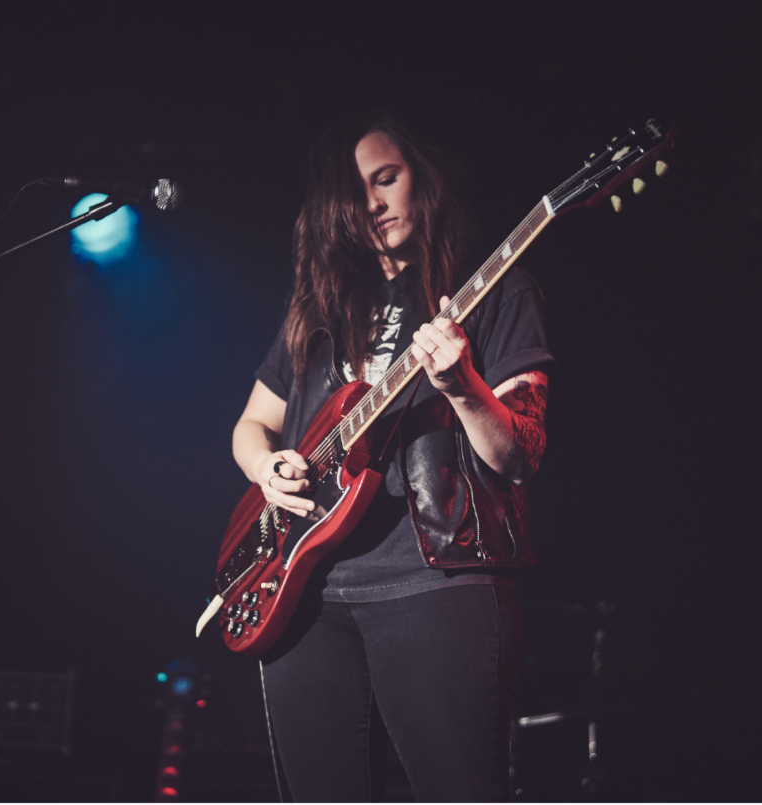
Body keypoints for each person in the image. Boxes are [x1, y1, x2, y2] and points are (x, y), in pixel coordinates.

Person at [231, 111, 554, 802]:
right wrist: (267, 467)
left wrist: (462, 386)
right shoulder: (318, 305)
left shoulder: (498, 292)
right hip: (305, 593)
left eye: (386, 178)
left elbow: (518, 454)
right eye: (356, 192)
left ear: (422, 179)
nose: (373, 203)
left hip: (434, 583)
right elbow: (252, 424)